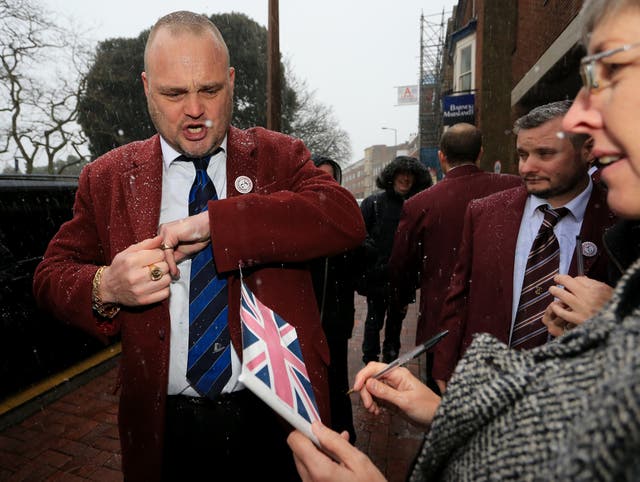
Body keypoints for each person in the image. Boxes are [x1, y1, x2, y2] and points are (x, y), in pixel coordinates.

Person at [287, 5, 640, 479]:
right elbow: (453, 292)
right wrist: (443, 404)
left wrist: (612, 325)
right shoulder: (485, 212)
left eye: (612, 70)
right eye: (523, 154)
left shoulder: (616, 229)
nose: (584, 112)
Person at [32, 11, 365, 482]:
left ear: (231, 81)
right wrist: (106, 286)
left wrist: (220, 223)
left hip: (275, 419)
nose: (194, 108)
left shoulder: (279, 156)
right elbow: (48, 277)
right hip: (164, 428)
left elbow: (343, 218)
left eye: (209, 89)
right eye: (173, 93)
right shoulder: (107, 178)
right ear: (146, 86)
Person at [431, 100, 617, 386]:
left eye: (544, 153)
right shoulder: (484, 212)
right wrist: (444, 368)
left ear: (588, 150)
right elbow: (458, 296)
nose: (526, 167)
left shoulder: (619, 221)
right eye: (522, 154)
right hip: (488, 385)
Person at [388, 123, 521, 392]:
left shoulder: (420, 204)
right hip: (502, 316)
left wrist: (401, 299)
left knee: (441, 398)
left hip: (440, 321)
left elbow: (401, 263)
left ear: (441, 156)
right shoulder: (514, 188)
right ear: (480, 153)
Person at [358, 156, 431, 364]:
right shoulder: (374, 204)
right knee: (373, 323)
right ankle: (370, 364)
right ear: (392, 176)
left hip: (403, 280)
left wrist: (415, 276)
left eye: (410, 175)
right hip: (377, 278)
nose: (406, 179)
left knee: (395, 327)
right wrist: (373, 262)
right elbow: (359, 235)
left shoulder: (418, 206)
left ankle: (390, 365)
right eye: (402, 173)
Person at [308, 155, 359, 443]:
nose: (325, 185)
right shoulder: (296, 220)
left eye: (330, 179)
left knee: (337, 383)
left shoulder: (346, 220)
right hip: (305, 322)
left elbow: (367, 259)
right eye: (319, 178)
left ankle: (344, 438)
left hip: (336, 323)